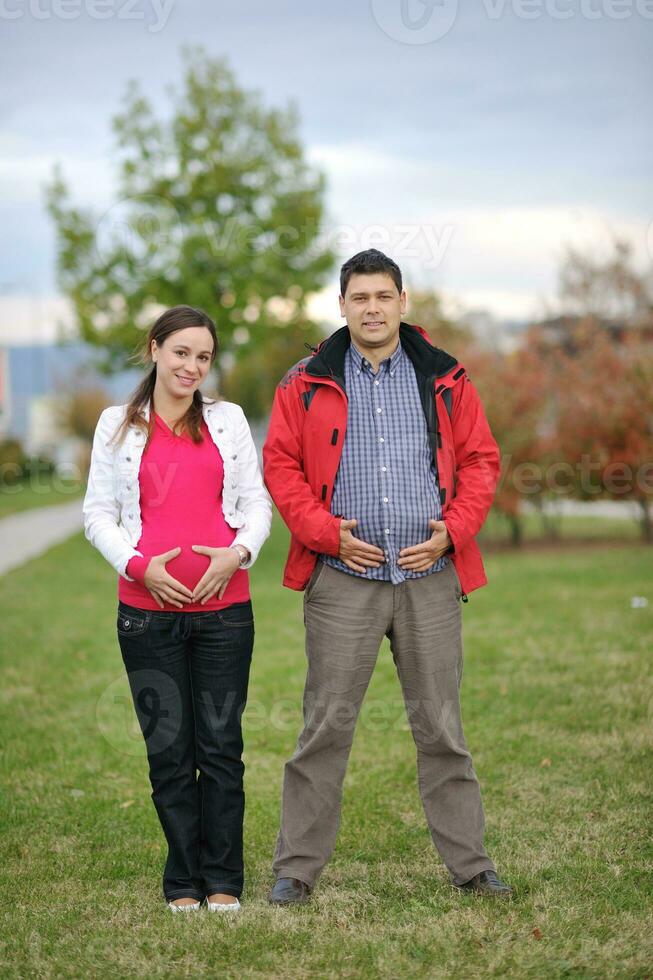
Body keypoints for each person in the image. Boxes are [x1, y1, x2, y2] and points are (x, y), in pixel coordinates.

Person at [263, 249, 513, 904]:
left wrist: (452, 532)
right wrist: (322, 533)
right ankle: (295, 869)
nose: (371, 308)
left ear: (403, 303)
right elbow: (280, 465)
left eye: (382, 296)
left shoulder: (446, 377)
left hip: (427, 575)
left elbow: (483, 460)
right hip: (341, 577)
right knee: (325, 726)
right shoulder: (305, 380)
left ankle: (471, 866)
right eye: (358, 297)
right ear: (340, 307)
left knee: (441, 727)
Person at [83, 305, 271, 913]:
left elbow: (256, 502)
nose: (192, 366)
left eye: (204, 357)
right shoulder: (117, 425)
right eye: (182, 352)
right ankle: (182, 882)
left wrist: (237, 553)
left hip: (225, 612)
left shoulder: (228, 420)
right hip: (146, 615)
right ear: (156, 349)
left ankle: (223, 881)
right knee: (168, 750)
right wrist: (141, 567)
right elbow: (98, 515)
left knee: (220, 747)